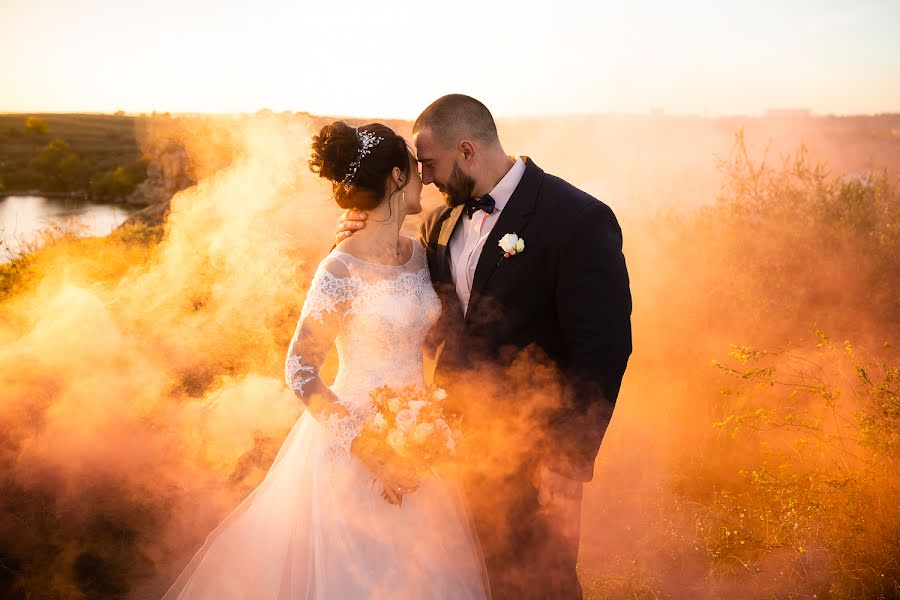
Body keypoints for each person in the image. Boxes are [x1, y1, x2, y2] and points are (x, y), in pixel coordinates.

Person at [161, 121, 489, 599]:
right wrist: (371, 448)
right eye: (416, 170)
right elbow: (299, 368)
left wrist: (422, 432)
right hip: (354, 443)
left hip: (421, 441)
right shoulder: (339, 267)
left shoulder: (420, 254)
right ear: (397, 177)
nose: (426, 178)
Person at [336, 94, 633, 599]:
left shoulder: (577, 218)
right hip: (453, 453)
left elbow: (603, 348)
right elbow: (424, 319)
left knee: (543, 583)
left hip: (536, 453)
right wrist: (355, 243)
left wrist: (569, 459)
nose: (422, 178)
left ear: (467, 150)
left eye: (428, 164)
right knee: (471, 581)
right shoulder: (438, 224)